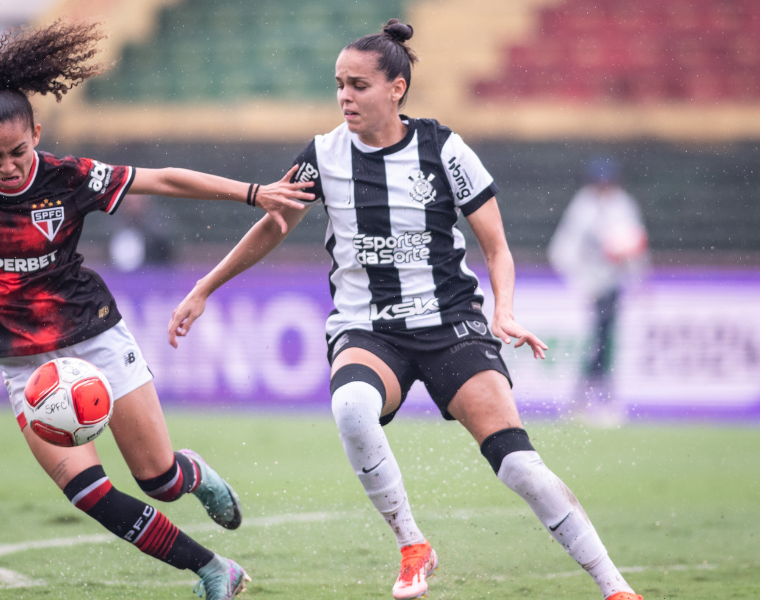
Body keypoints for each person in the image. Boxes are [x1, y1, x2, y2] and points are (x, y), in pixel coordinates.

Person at [168, 20, 642, 600]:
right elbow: (274, 225)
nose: (345, 96)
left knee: (519, 467)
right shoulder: (322, 155)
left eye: (359, 85)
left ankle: (615, 586)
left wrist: (506, 310)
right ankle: (413, 544)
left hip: (450, 324)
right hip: (370, 329)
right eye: (339, 84)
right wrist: (205, 287)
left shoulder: (444, 148)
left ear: (396, 88)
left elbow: (495, 244)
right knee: (351, 406)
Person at [0, 21, 312, 600]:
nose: (9, 165)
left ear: (36, 134)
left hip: (92, 338)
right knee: (89, 492)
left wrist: (253, 193)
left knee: (158, 479)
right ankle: (215, 569)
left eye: (18, 151)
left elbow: (161, 179)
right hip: (25, 364)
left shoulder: (69, 178)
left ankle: (190, 473)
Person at [548, 157, 649, 424]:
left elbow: (634, 246)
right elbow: (563, 250)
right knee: (592, 343)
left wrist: (638, 279)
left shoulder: (623, 205)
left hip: (612, 285)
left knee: (607, 342)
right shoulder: (583, 207)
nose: (604, 189)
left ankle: (602, 399)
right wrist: (580, 283)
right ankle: (580, 400)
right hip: (588, 286)